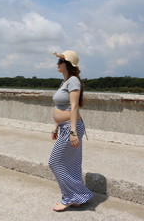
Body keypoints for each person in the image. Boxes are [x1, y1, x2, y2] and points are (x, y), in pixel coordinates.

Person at [48, 50, 93, 211]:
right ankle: (79, 196)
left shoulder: (73, 81)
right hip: (65, 126)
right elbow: (63, 106)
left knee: (54, 162)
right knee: (72, 164)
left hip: (71, 127)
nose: (57, 64)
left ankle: (69, 197)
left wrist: (73, 132)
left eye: (60, 61)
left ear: (67, 64)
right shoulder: (66, 81)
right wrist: (56, 125)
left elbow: (74, 106)